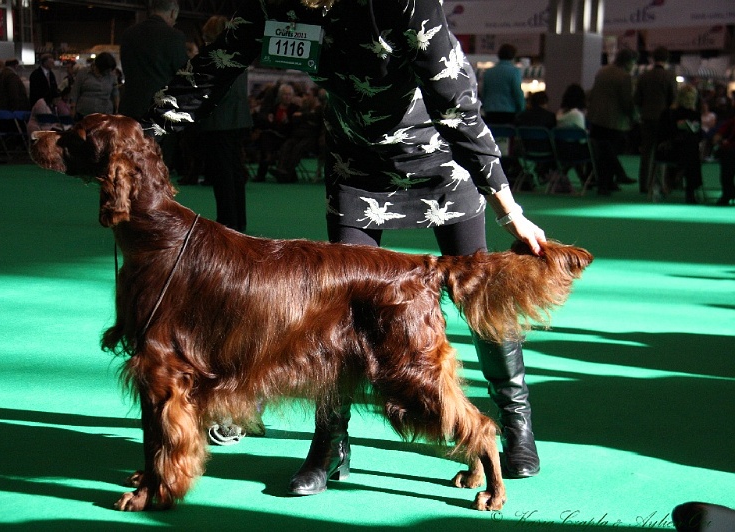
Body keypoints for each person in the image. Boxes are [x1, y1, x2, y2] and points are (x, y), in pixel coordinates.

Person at [145, 0, 548, 492]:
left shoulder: (404, 3)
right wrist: (138, 134)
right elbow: (212, 68)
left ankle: (516, 422)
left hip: (442, 159)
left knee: (483, 299)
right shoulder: (275, 6)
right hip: (357, 166)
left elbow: (455, 102)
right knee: (334, 313)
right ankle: (330, 445)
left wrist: (509, 208)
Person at [192, 15, 253, 231]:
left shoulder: (214, 55)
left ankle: (227, 223)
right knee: (235, 172)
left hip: (219, 122)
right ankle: (238, 222)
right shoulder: (240, 53)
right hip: (238, 120)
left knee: (223, 175)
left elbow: (211, 90)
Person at [119, 0, 187, 168]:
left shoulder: (128, 34)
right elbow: (183, 74)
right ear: (172, 13)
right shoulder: (175, 36)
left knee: (130, 162)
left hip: (131, 108)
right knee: (158, 166)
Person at [586, 48, 638, 195]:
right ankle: (610, 181)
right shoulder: (624, 76)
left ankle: (607, 183)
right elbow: (626, 101)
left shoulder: (602, 71)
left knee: (601, 154)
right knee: (610, 152)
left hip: (596, 118)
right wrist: (633, 117)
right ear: (628, 62)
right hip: (614, 121)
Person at [634, 47, 677, 194]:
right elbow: (673, 99)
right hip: (663, 120)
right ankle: (658, 184)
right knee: (662, 152)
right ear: (666, 59)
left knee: (646, 153)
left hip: (646, 119)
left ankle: (643, 185)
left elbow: (637, 99)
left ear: (652, 58)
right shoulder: (669, 76)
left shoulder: (644, 76)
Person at [655, 84, 703, 204]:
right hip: (671, 148)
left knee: (690, 144)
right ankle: (690, 189)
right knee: (691, 150)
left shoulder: (695, 114)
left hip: (685, 149)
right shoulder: (669, 113)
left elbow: (699, 134)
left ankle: (679, 173)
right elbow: (662, 133)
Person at [269, 90, 324, 183]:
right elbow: (294, 118)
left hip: (312, 137)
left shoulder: (320, 108)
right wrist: (306, 118)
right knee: (287, 145)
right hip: (299, 135)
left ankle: (287, 173)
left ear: (315, 97)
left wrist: (302, 116)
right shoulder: (304, 106)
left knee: (298, 148)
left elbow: (316, 118)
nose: (305, 97)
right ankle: (281, 169)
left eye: (308, 95)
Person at [252, 83, 300, 181]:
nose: (287, 97)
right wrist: (269, 119)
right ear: (280, 96)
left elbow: (295, 126)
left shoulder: (295, 109)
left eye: (289, 94)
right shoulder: (274, 108)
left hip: (287, 136)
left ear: (292, 96)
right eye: (285, 94)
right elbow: (269, 125)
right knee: (266, 136)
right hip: (274, 135)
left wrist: (287, 122)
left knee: (266, 138)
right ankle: (267, 159)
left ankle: (267, 162)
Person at [481, 43, 526, 125]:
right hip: (508, 110)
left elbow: (484, 91)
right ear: (513, 56)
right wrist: (521, 108)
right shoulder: (514, 71)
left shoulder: (488, 72)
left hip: (490, 110)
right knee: (506, 133)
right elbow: (517, 92)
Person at [70, 52, 120, 119]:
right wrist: (73, 108)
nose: (109, 72)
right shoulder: (83, 72)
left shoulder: (112, 76)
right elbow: (75, 91)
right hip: (84, 113)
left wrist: (117, 109)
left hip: (105, 114)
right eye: (107, 70)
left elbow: (115, 93)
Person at [711, 115, 735, 206]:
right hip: (730, 151)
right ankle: (728, 193)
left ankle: (728, 193)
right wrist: (719, 138)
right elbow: (718, 135)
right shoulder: (732, 121)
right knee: (727, 154)